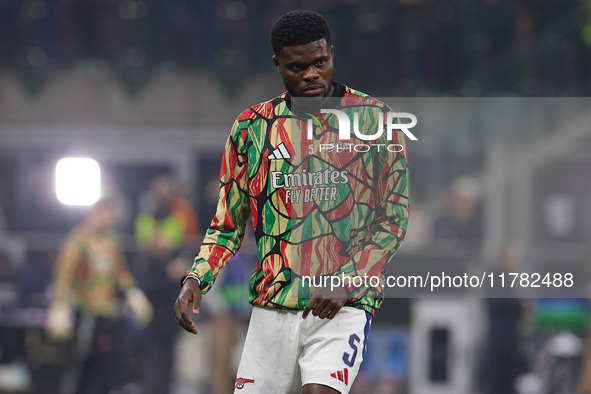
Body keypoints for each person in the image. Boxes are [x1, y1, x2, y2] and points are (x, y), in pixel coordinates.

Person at [174, 10, 410, 394]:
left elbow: (393, 221)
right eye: (297, 67)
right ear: (277, 65)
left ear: (331, 52)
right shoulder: (252, 128)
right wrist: (196, 277)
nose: (311, 74)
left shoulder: (374, 120)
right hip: (273, 306)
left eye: (320, 62)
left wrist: (347, 280)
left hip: (342, 304)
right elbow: (227, 225)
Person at [47, 198, 152, 394]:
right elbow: (64, 275)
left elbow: (120, 271)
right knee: (80, 363)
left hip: (106, 312)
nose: (110, 219)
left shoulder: (110, 240)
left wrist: (133, 293)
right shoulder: (78, 240)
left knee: (106, 365)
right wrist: (60, 307)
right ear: (93, 213)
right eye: (106, 214)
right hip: (85, 312)